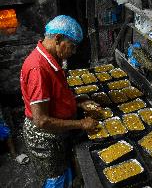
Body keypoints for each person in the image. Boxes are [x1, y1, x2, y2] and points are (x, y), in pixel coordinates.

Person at [20, 15, 99, 187]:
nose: (74, 51)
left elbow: (56, 94)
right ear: (57, 39)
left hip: (56, 134)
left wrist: (77, 101)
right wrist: (81, 123)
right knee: (56, 179)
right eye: (72, 46)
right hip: (45, 138)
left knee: (64, 172)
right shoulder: (38, 68)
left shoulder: (51, 59)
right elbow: (41, 120)